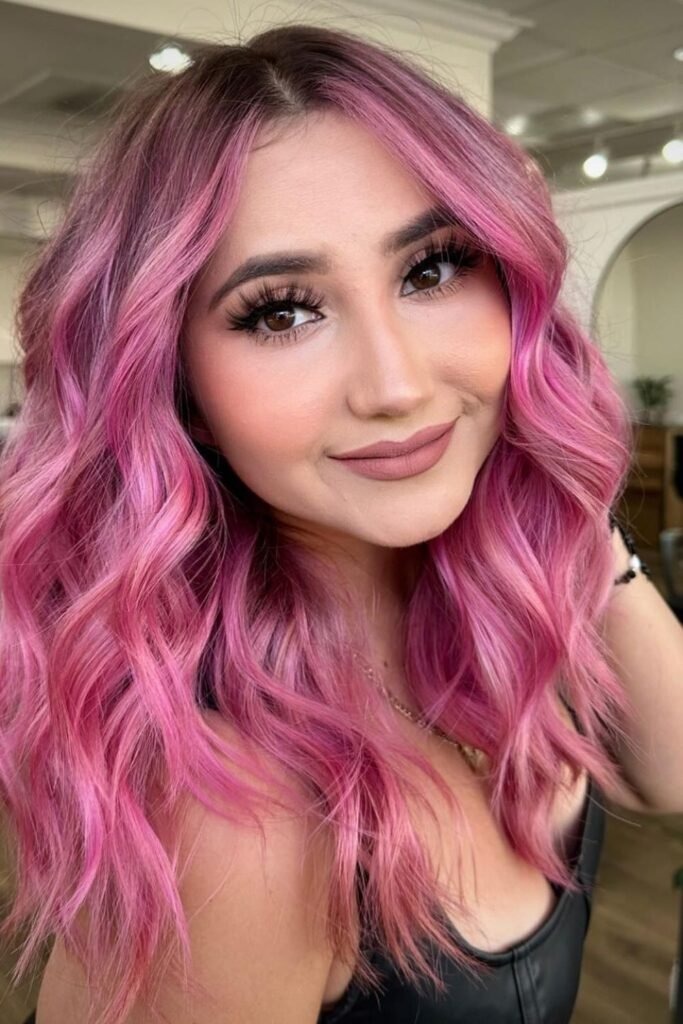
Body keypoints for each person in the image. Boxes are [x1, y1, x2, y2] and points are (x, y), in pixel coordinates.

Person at [1, 22, 678, 1024]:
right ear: (175, 385)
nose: (396, 386)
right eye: (280, 311)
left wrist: (560, 494)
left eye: (433, 269)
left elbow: (670, 770)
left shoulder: (477, 617)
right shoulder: (242, 830)